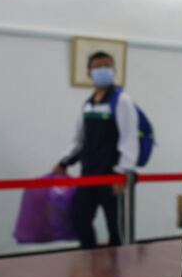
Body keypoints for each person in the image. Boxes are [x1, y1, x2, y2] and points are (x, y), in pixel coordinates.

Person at [54, 51, 138, 248]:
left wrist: (122, 172)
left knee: (116, 228)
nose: (103, 70)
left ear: (114, 70)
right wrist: (63, 162)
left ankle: (119, 272)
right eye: (98, 66)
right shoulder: (88, 104)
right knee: (79, 217)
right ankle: (90, 262)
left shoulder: (121, 100)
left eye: (107, 65)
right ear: (89, 72)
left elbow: (129, 139)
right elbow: (80, 140)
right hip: (88, 175)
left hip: (112, 176)